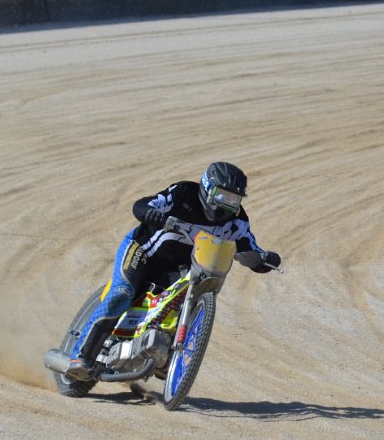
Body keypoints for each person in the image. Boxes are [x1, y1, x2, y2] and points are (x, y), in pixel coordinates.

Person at [63, 161, 281, 380]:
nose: (227, 203)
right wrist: (149, 213)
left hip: (180, 269)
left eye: (234, 199)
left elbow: (250, 248)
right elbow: (142, 204)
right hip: (143, 252)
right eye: (222, 195)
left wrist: (263, 259)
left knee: (187, 299)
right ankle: (81, 356)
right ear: (207, 186)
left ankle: (163, 353)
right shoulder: (183, 193)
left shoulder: (237, 221)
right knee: (122, 293)